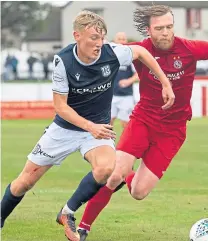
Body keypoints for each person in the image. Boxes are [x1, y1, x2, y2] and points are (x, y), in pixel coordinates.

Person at [1, 10, 174, 241]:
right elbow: (60, 107)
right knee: (25, 182)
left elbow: (141, 52)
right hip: (63, 129)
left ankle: (67, 212)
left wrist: (165, 82)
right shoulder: (63, 61)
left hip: (97, 129)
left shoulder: (112, 53)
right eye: (93, 38)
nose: (99, 43)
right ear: (77, 36)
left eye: (102, 37)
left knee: (106, 168)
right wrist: (89, 126)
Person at [76, 5, 208, 241]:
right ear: (148, 30)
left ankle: (129, 174)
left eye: (169, 27)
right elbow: (98, 53)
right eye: (159, 28)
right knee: (114, 175)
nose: (166, 33)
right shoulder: (138, 50)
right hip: (143, 121)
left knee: (138, 192)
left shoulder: (189, 48)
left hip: (173, 132)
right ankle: (83, 227)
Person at [111, 32, 139, 129]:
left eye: (123, 39)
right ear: (114, 41)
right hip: (111, 96)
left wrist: (129, 81)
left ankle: (125, 144)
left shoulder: (131, 57)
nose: (121, 41)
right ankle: (108, 144)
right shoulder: (110, 56)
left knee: (126, 124)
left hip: (126, 96)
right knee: (108, 123)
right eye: (119, 39)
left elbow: (138, 74)